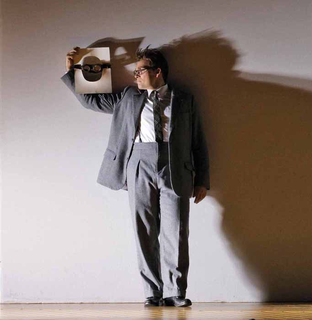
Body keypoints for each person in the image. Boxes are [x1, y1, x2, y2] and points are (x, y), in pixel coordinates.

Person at [62, 46, 210, 307]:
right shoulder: (128, 96)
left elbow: (198, 141)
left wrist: (202, 179)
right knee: (144, 230)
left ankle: (176, 292)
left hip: (175, 167)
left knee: (176, 231)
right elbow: (90, 100)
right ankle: (152, 292)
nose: (135, 76)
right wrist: (72, 71)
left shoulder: (184, 100)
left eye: (140, 71)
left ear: (157, 72)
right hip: (138, 165)